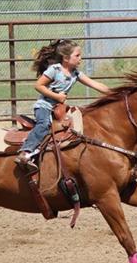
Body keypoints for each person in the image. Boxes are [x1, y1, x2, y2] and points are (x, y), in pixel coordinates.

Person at [15, 39, 110, 168]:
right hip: (44, 106)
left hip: (58, 108)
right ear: (66, 58)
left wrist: (114, 93)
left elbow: (95, 84)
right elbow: (38, 85)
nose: (80, 59)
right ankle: (25, 152)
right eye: (77, 56)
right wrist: (57, 96)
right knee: (44, 125)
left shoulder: (76, 74)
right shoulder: (55, 70)